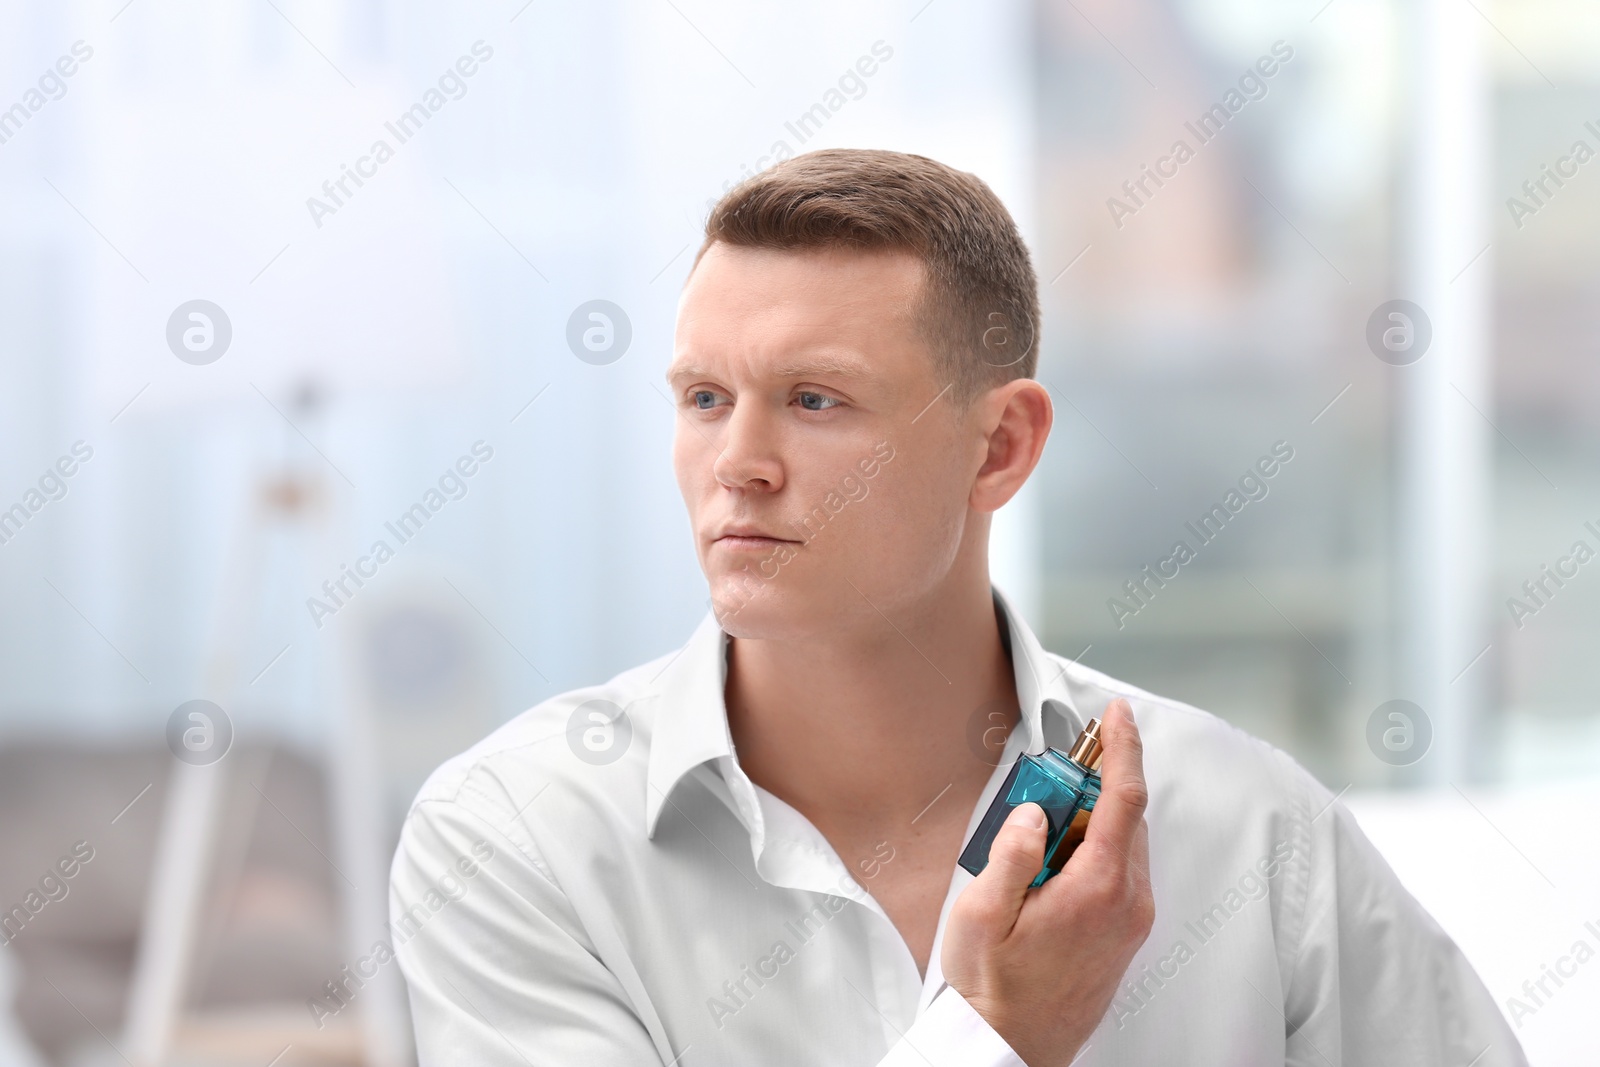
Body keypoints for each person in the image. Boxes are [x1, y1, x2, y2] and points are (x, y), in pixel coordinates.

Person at [390, 148, 1526, 1066]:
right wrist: (996, 1038)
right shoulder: (515, 839)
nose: (737, 462)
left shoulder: (1249, 828)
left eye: (814, 398)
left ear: (1000, 445)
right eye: (702, 397)